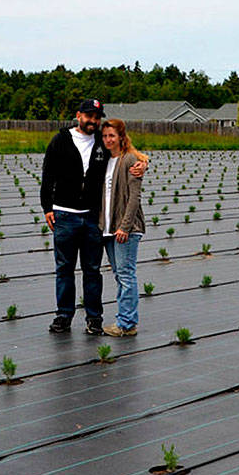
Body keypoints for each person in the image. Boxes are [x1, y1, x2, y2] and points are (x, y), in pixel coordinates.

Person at [40, 99, 146, 335]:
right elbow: (48, 175)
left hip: (91, 218)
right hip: (64, 215)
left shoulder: (102, 141)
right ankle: (64, 315)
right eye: (89, 116)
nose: (93, 121)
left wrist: (143, 164)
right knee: (64, 268)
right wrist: (47, 207)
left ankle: (94, 318)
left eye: (97, 117)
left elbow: (127, 153)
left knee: (92, 270)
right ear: (78, 115)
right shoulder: (60, 141)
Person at [99, 119, 146, 336]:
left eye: (112, 136)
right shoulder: (106, 159)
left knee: (126, 275)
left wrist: (125, 227)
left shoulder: (129, 160)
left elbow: (134, 197)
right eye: (105, 136)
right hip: (109, 228)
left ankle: (127, 324)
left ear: (121, 137)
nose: (108, 140)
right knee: (119, 275)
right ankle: (124, 320)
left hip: (125, 229)